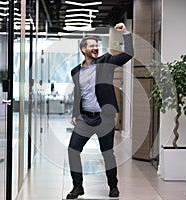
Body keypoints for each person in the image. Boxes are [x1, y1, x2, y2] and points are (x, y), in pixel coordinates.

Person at [66, 22, 134, 199]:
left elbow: (128, 54)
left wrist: (126, 34)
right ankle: (77, 187)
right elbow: (77, 93)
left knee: (107, 154)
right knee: (73, 150)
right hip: (85, 119)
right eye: (91, 46)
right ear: (83, 50)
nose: (95, 48)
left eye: (97, 45)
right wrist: (75, 113)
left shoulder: (106, 62)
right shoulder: (75, 71)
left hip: (104, 118)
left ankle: (113, 187)